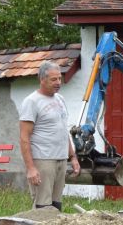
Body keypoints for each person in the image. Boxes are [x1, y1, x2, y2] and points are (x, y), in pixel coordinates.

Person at [19, 61, 80, 211]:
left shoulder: (60, 99)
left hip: (61, 159)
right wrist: (31, 168)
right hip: (43, 160)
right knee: (43, 206)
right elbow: (24, 137)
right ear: (42, 79)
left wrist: (72, 157)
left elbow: (63, 130)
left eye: (59, 78)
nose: (58, 82)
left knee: (56, 204)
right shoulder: (32, 102)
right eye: (54, 79)